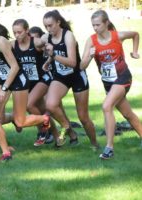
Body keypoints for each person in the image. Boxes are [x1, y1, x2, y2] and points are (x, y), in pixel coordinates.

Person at [0, 15, 50, 162]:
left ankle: (44, 118)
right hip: (3, 79)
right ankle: (6, 152)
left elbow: (15, 67)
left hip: (17, 78)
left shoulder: (1, 42)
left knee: (20, 121)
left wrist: (4, 89)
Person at [80, 10, 142, 159]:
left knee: (106, 106)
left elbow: (135, 34)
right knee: (127, 114)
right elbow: (82, 66)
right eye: (93, 25)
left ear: (106, 23)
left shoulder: (117, 36)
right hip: (108, 83)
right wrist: (90, 56)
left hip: (123, 77)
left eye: (98, 25)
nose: (95, 28)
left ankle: (109, 148)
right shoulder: (91, 40)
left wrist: (135, 52)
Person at [41, 10, 98, 148]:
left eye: (50, 25)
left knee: (83, 117)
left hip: (77, 75)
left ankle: (95, 145)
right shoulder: (46, 37)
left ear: (58, 22)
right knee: (50, 104)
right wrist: (48, 61)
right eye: (46, 26)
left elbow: (72, 62)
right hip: (61, 77)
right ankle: (67, 127)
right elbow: (43, 46)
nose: (48, 29)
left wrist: (53, 56)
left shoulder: (68, 36)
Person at [12, 19, 58, 147]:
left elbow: (49, 41)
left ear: (27, 31)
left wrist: (48, 59)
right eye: (14, 33)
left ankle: (43, 131)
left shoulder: (35, 42)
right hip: (28, 82)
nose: (17, 35)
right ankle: (58, 137)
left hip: (43, 78)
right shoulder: (13, 45)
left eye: (19, 32)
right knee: (43, 111)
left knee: (29, 105)